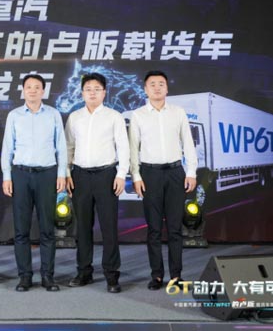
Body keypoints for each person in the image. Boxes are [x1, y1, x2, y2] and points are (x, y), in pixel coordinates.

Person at [129, 70, 197, 290]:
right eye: (152, 84)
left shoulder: (178, 112)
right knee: (154, 229)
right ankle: (156, 275)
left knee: (175, 228)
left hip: (175, 173)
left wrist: (191, 171)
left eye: (161, 84)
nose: (157, 87)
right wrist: (136, 176)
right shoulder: (138, 115)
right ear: (145, 89)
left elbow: (188, 142)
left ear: (167, 88)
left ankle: (176, 275)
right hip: (150, 174)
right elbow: (133, 149)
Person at [1, 74, 67, 292]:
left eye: (37, 87)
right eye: (28, 87)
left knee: (47, 229)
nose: (32, 90)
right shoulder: (14, 115)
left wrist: (61, 173)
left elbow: (61, 146)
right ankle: (25, 276)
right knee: (21, 230)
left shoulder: (53, 114)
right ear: (23, 90)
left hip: (47, 174)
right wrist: (7, 176)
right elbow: (8, 147)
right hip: (20, 174)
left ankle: (48, 276)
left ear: (43, 91)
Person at [64, 73, 129, 293]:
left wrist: (121, 174)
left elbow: (123, 147)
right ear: (82, 93)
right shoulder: (74, 117)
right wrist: (67, 172)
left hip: (106, 175)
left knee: (109, 227)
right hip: (80, 176)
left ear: (104, 92)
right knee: (82, 227)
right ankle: (84, 272)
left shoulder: (114, 116)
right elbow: (68, 147)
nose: (92, 93)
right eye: (88, 89)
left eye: (97, 89)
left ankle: (112, 275)